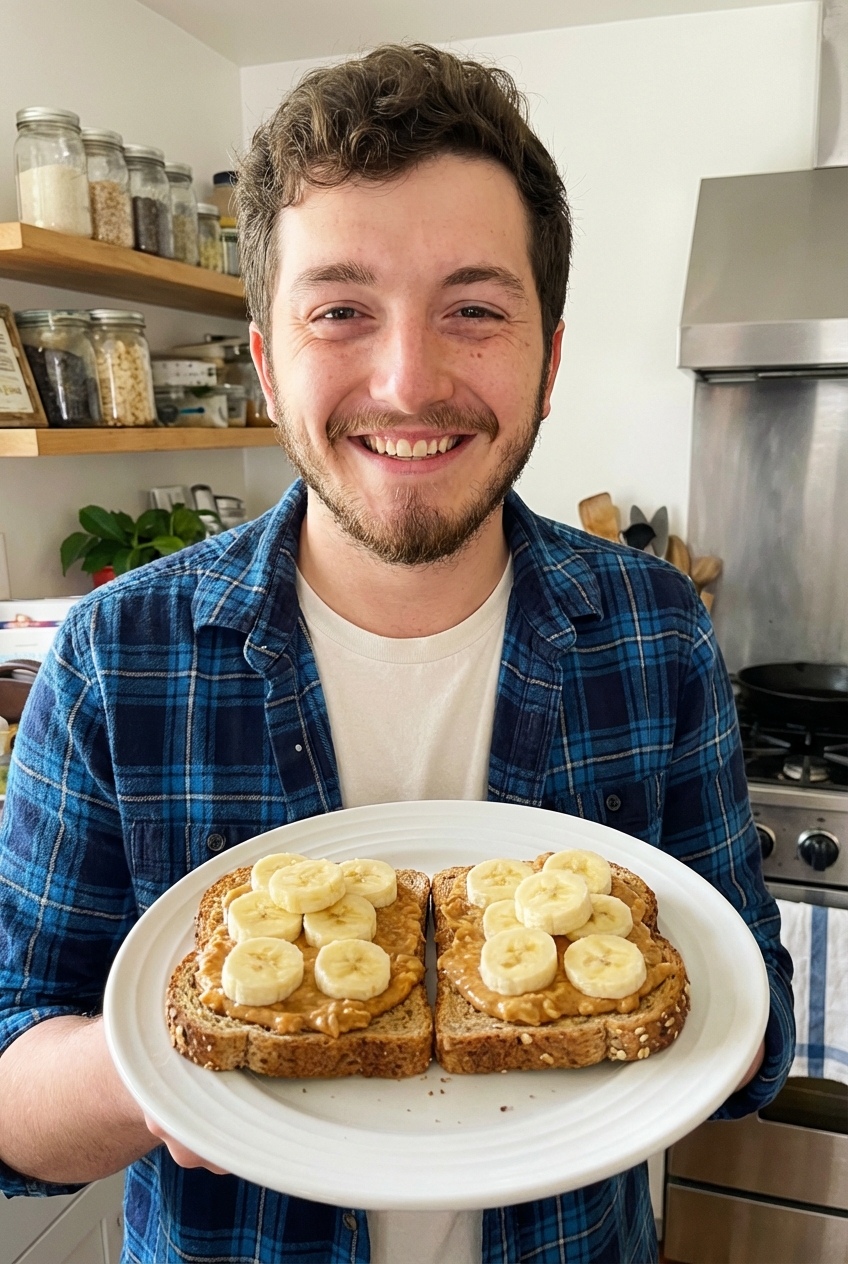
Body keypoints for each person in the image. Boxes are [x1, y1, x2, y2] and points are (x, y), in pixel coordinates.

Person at [0, 44, 792, 1264]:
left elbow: (755, 1030)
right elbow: (10, 1094)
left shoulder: (653, 627)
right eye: (338, 310)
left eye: (474, 309)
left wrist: (677, 1011)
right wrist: (187, 1054)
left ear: (547, 357)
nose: (407, 380)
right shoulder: (117, 654)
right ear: (265, 358)